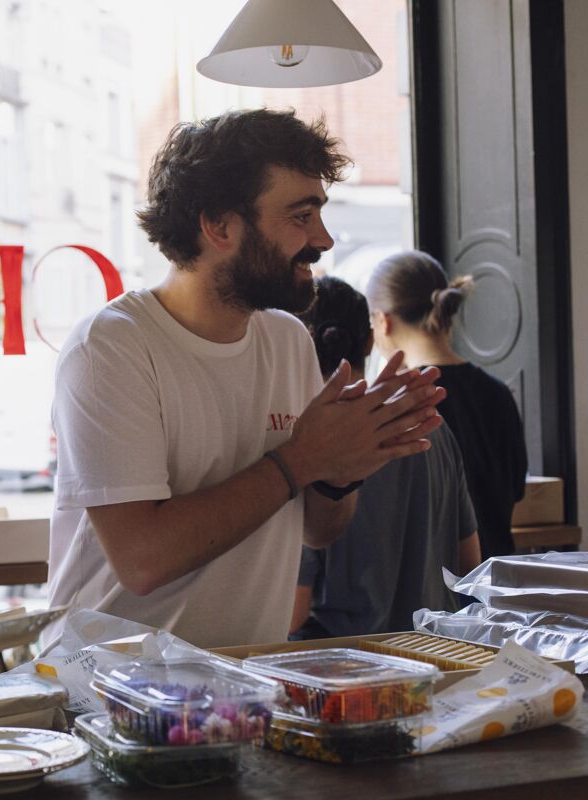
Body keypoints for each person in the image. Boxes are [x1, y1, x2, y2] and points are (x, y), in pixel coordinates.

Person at [46, 109, 446, 648]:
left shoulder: (287, 339)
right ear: (220, 226)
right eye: (301, 216)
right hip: (108, 698)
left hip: (241, 688)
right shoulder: (112, 347)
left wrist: (343, 465)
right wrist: (301, 459)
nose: (323, 240)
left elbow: (319, 530)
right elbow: (142, 560)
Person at [290, 276, 480, 638]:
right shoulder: (430, 427)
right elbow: (470, 564)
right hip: (435, 653)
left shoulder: (308, 443)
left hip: (342, 668)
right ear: (368, 341)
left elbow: (291, 614)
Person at [365, 250, 528, 560]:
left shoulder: (400, 405)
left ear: (383, 321)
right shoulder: (498, 394)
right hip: (495, 583)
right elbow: (515, 490)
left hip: (432, 595)